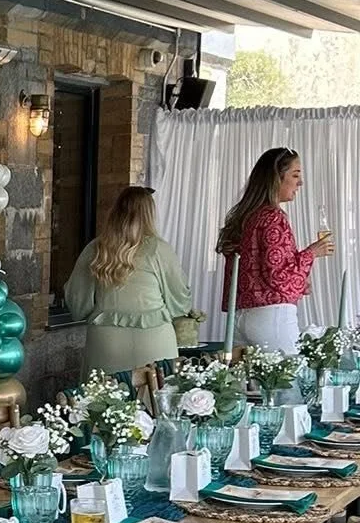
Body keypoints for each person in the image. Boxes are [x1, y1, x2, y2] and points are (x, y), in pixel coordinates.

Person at [64, 184, 193, 377]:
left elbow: (76, 301)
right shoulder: (159, 249)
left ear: (116, 211)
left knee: (104, 402)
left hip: (106, 341)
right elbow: (179, 298)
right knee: (154, 401)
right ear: (150, 215)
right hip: (154, 339)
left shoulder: (95, 248)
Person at [215, 147, 333, 354]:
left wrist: (298, 279)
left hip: (240, 316)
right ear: (276, 178)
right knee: (288, 382)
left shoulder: (247, 216)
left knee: (246, 384)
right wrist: (311, 253)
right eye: (295, 175)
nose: (300, 183)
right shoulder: (273, 217)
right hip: (271, 317)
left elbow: (257, 270)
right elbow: (278, 277)